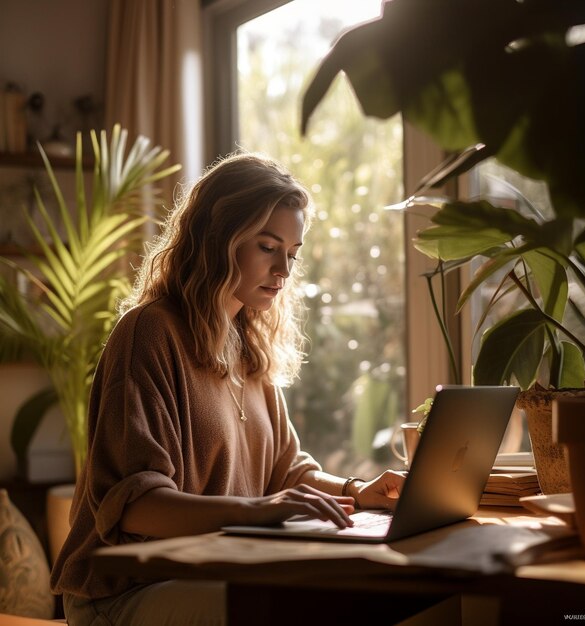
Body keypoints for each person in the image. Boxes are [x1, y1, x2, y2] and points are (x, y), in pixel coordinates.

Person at [51, 151, 406, 625]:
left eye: (292, 254)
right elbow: (136, 509)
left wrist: (357, 492)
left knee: (396, 591)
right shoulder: (149, 333)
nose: (283, 270)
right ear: (218, 237)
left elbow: (287, 472)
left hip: (214, 572)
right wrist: (260, 511)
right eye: (267, 246)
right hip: (125, 594)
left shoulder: (248, 347)